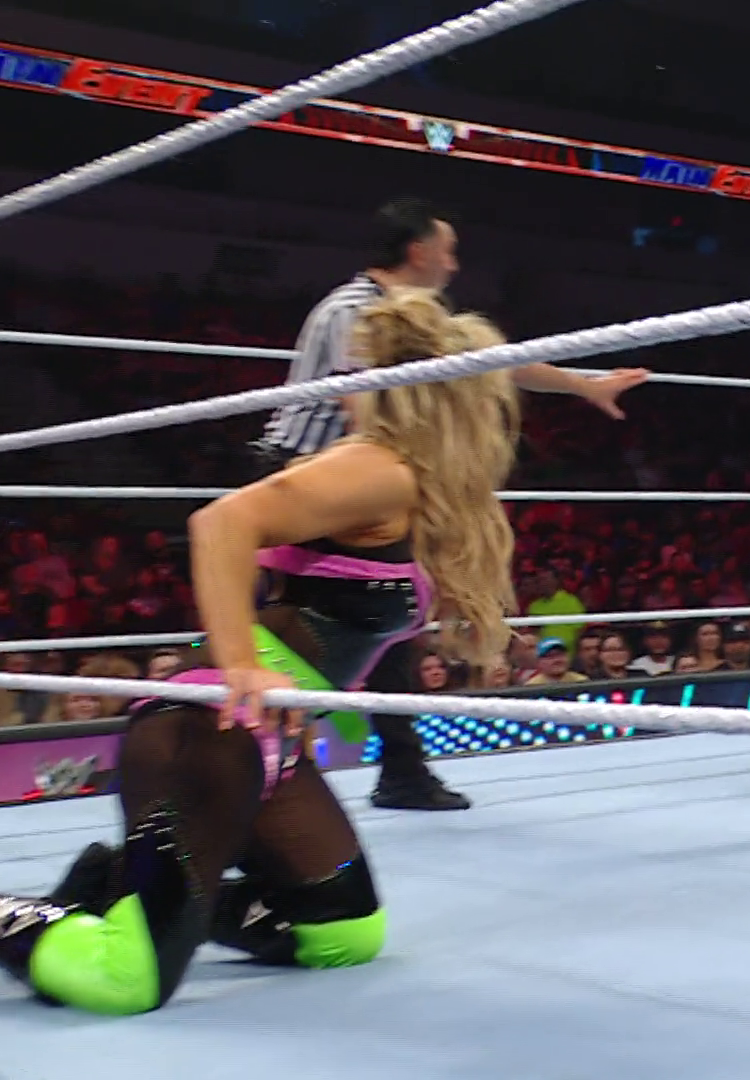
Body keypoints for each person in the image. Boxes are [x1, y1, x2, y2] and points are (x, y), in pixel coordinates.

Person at [0, 289, 519, 1015]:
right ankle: (107, 911)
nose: (338, 397)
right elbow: (222, 523)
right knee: (126, 980)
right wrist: (242, 664)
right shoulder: (374, 467)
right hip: (208, 725)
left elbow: (494, 365)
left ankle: (118, 886)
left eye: (354, 379)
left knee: (343, 934)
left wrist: (581, 382)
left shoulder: (410, 480)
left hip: (270, 735)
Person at [253, 197, 648, 812]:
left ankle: (390, 770)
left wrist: (583, 385)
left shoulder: (414, 316)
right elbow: (368, 415)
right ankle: (271, 758)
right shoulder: (355, 310)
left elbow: (496, 363)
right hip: (309, 479)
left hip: (355, 482)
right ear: (419, 251)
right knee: (329, 626)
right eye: (448, 250)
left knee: (385, 621)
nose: (454, 264)